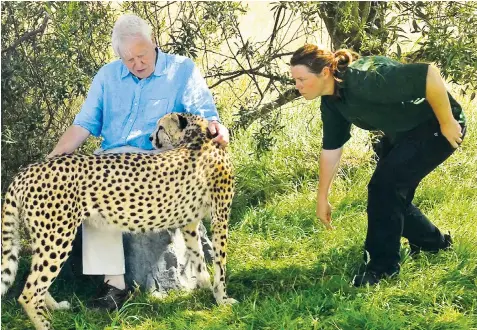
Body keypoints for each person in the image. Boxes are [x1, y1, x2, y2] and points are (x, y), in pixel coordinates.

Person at [47, 14, 229, 308]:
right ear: (119, 56)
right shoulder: (107, 76)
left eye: (142, 55)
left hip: (160, 162)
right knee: (87, 184)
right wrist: (52, 161)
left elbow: (205, 115)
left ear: (154, 42)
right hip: (112, 160)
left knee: (103, 185)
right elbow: (83, 126)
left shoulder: (181, 69)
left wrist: (217, 129)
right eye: (128, 59)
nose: (137, 64)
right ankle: (114, 284)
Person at [290, 44, 466, 287]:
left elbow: (428, 74)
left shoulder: (366, 79)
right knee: (390, 195)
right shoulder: (332, 102)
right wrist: (322, 198)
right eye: (295, 81)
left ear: (325, 73)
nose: (297, 87)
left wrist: (447, 123)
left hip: (440, 126)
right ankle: (434, 244)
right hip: (404, 133)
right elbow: (331, 149)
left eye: (301, 79)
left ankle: (382, 269)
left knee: (384, 188)